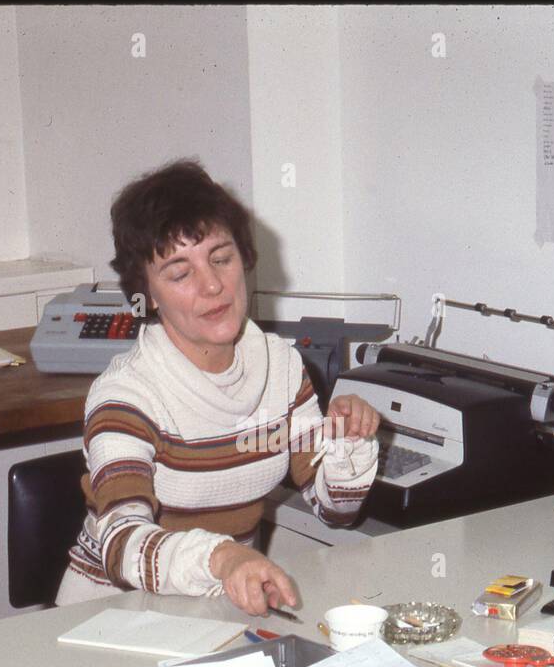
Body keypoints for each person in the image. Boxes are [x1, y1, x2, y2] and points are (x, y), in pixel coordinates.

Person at [55, 159, 381, 616]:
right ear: (147, 292)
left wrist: (347, 440)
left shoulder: (280, 365)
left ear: (243, 258)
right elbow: (122, 543)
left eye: (221, 258)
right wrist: (224, 558)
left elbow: (336, 513)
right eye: (179, 272)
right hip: (111, 617)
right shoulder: (127, 394)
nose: (212, 285)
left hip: (215, 608)